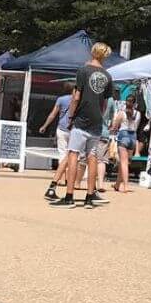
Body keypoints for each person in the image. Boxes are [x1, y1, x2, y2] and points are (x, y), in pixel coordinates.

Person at [52, 42, 115, 208]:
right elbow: (104, 103)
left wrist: (71, 116)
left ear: (92, 53)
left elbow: (76, 96)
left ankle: (69, 195)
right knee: (92, 155)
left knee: (73, 154)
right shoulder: (107, 76)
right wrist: (99, 116)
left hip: (81, 118)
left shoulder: (83, 71)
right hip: (96, 120)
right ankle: (90, 195)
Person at [40, 83, 77, 200]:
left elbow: (53, 114)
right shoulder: (77, 100)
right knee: (72, 154)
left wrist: (45, 125)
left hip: (61, 128)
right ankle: (69, 179)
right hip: (73, 129)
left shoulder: (60, 99)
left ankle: (61, 178)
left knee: (62, 153)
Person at [110, 94, 142, 193]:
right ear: (135, 103)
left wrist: (113, 129)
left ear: (126, 102)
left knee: (123, 162)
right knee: (126, 162)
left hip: (123, 136)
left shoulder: (121, 113)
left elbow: (115, 126)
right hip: (133, 137)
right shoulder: (138, 114)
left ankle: (126, 186)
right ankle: (117, 184)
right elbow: (137, 125)